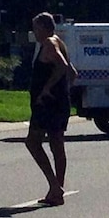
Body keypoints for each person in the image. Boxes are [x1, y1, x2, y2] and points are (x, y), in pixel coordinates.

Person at [26, 12, 76, 206]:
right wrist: (63, 92)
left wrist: (47, 89)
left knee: (32, 142)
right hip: (60, 102)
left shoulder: (49, 43)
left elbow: (63, 67)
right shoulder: (60, 43)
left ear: (45, 27)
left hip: (46, 104)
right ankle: (56, 193)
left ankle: (55, 186)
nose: (34, 32)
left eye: (36, 27)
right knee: (56, 144)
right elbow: (73, 73)